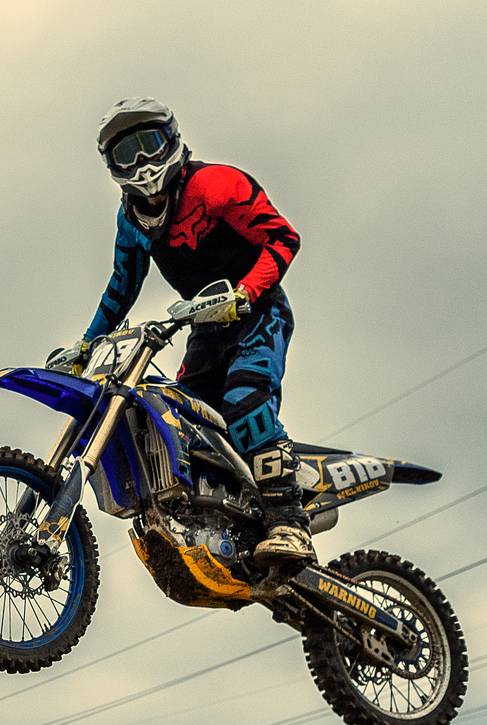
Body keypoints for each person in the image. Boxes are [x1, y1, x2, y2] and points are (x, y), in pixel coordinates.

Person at [76, 96, 313, 570]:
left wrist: (246, 292)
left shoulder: (216, 184)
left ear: (171, 139)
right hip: (205, 330)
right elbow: (122, 287)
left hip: (258, 313)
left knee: (245, 400)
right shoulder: (131, 222)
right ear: (112, 166)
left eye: (149, 144)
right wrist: (86, 344)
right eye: (127, 153)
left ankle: (289, 522)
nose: (142, 162)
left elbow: (283, 238)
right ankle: (217, 518)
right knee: (183, 422)